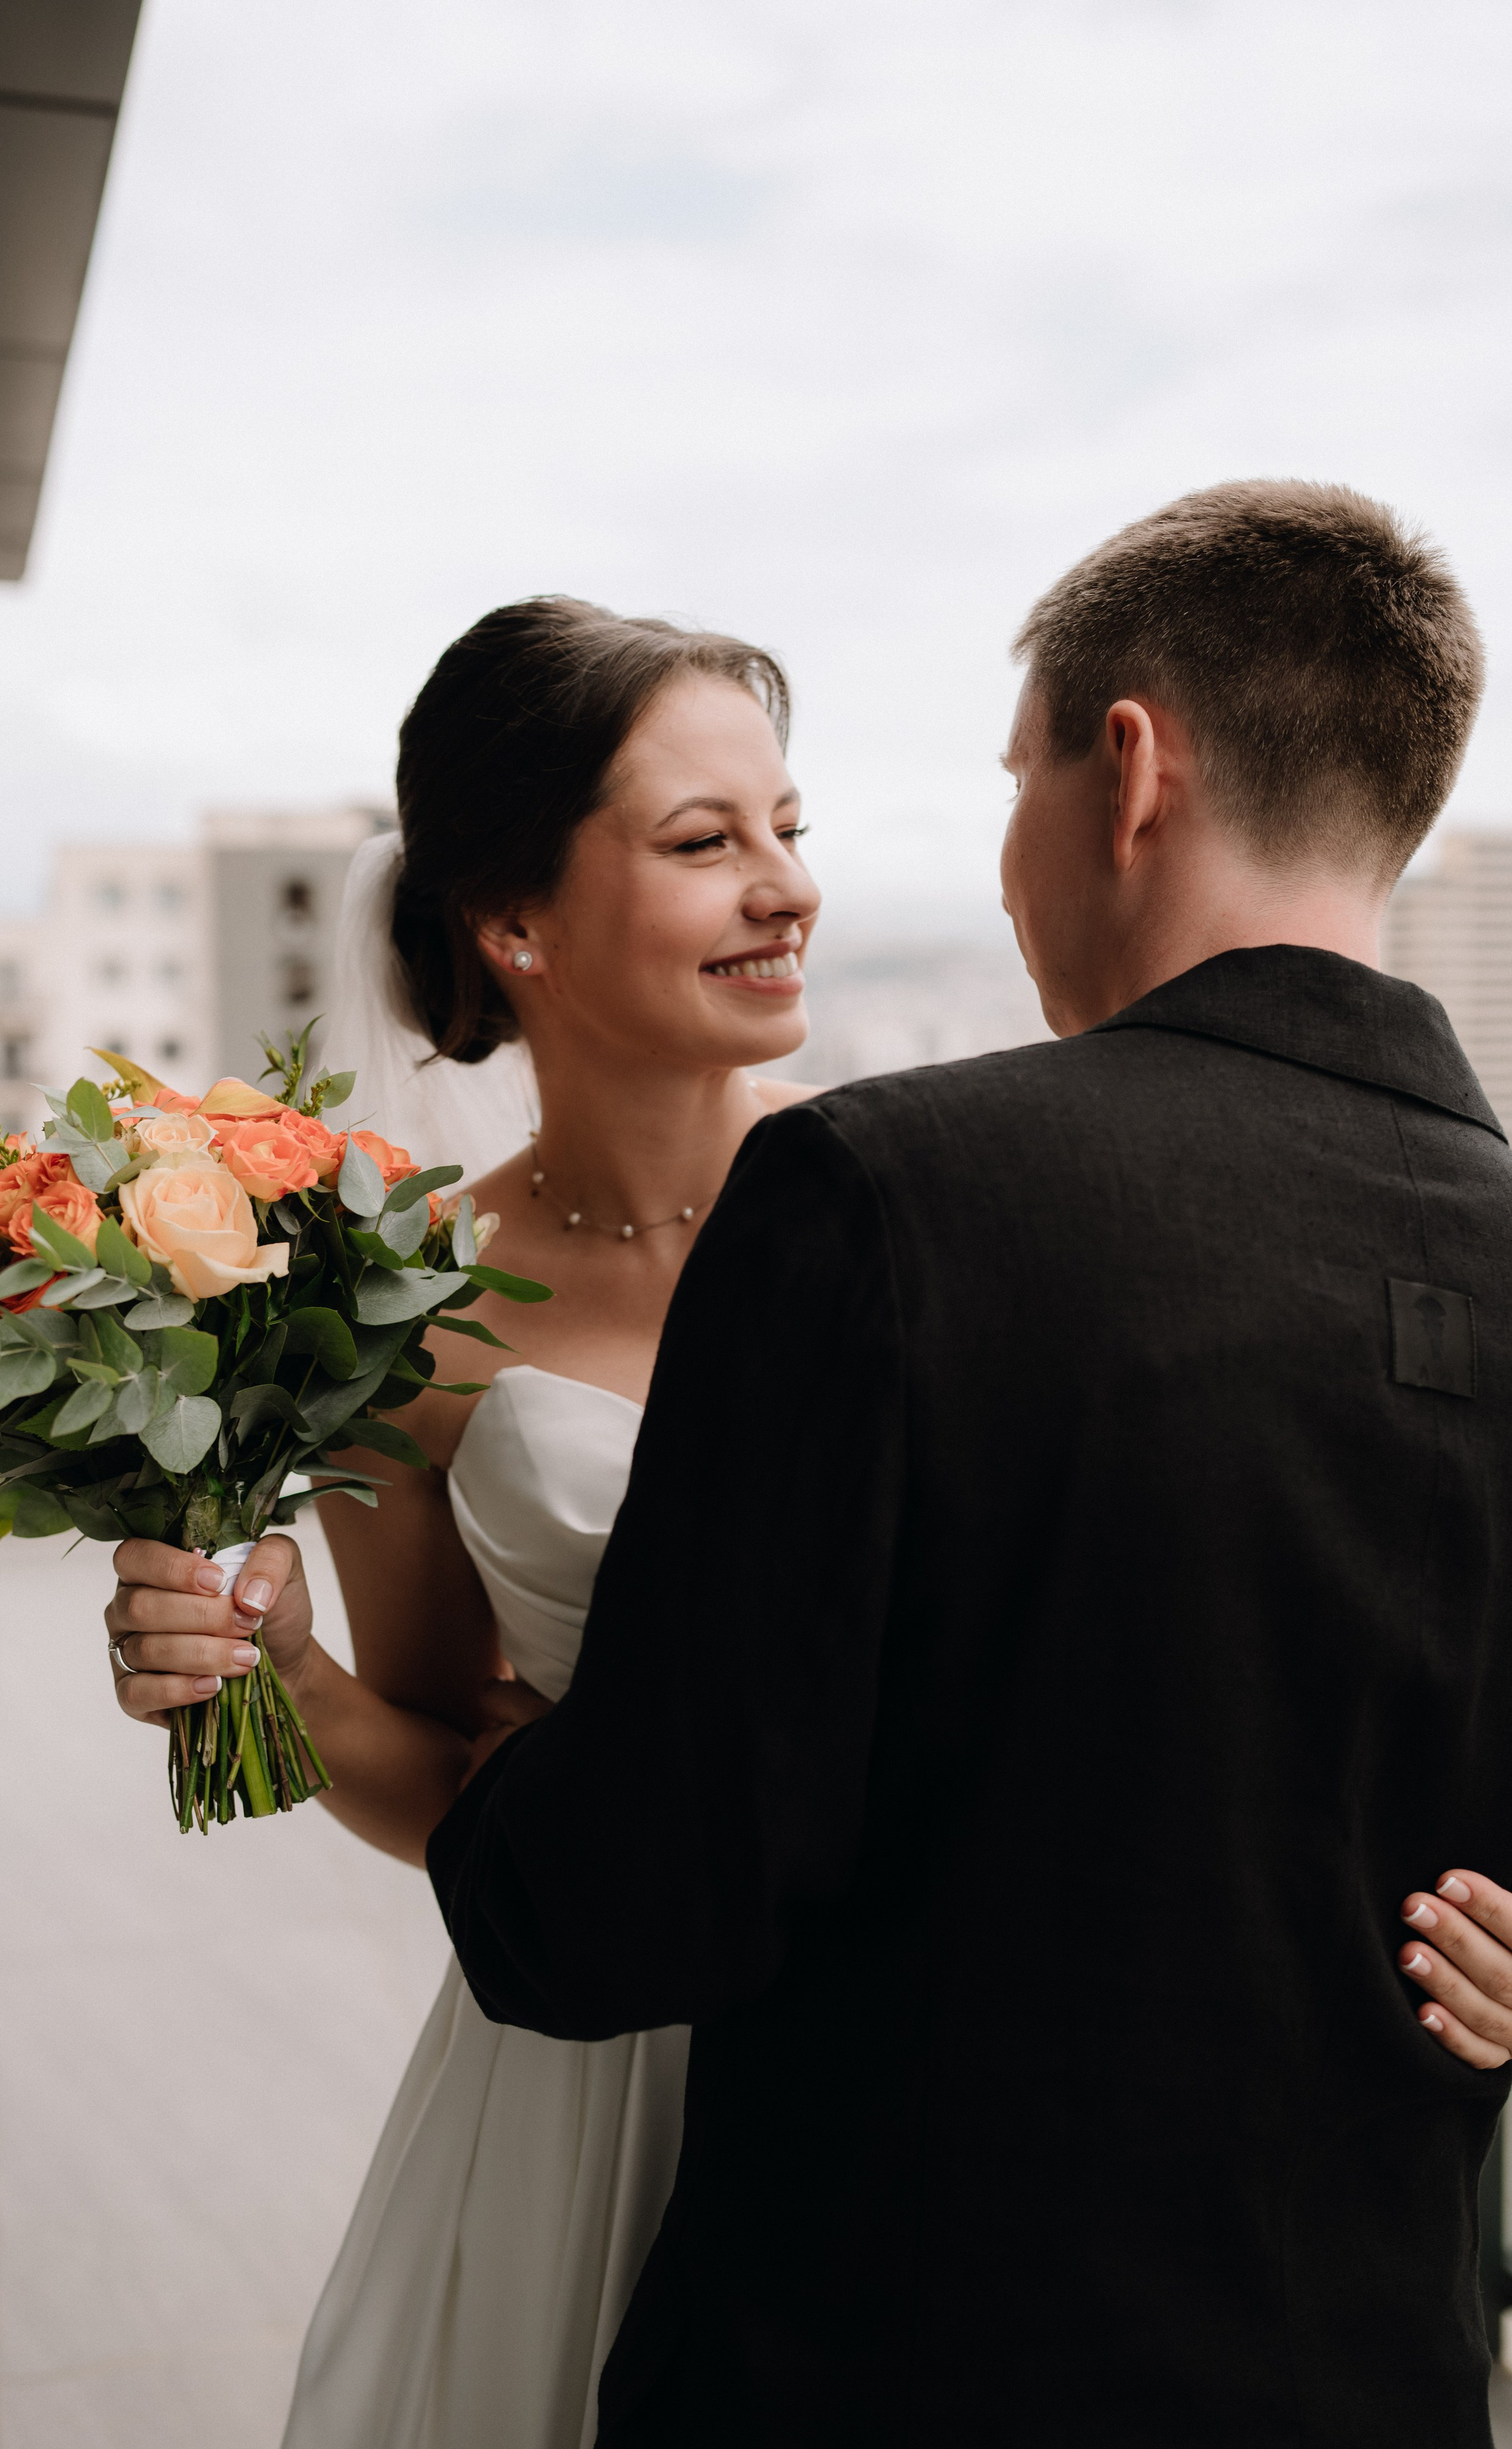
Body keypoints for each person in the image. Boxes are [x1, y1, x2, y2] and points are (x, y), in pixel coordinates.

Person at [420, 483, 1512, 2446]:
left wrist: (494, 1777)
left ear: (1129, 771)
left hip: (898, 2362)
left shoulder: (886, 1191)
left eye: (1012, 781)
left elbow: (626, 1903)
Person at [103, 597, 823, 2449]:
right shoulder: (412, 1315)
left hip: (893, 2024)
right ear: (516, 926)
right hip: (583, 2052)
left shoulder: (915, 1208)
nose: (783, 890)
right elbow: (444, 1763)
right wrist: (273, 1670)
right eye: (703, 842)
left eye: (787, 831)